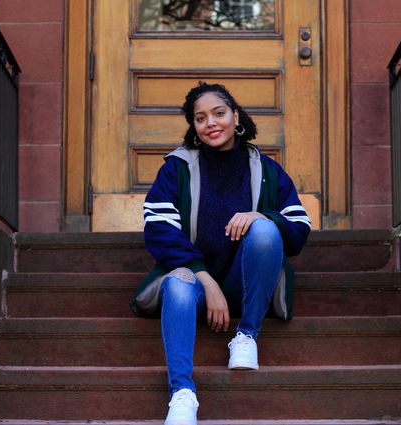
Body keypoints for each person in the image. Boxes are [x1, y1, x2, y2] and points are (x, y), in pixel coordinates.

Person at [130, 82, 311, 425]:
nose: (210, 123)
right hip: (198, 283)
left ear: (235, 117)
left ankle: (246, 335)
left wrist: (262, 215)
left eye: (218, 113)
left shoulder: (266, 170)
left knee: (263, 229)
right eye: (200, 118)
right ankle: (182, 394)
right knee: (177, 285)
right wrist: (204, 279)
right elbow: (158, 228)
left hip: (247, 284)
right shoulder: (177, 168)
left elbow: (298, 229)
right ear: (194, 127)